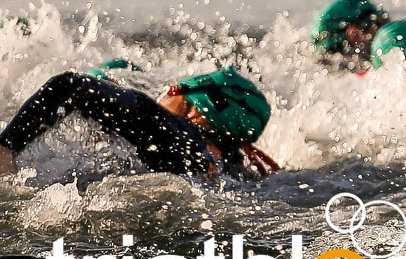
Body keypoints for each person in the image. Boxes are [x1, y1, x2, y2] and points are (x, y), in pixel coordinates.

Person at [0, 66, 277, 181]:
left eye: (172, 91)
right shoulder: (233, 168)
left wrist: (6, 147)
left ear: (196, 108)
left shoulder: (177, 133)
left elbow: (71, 86)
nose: (162, 96)